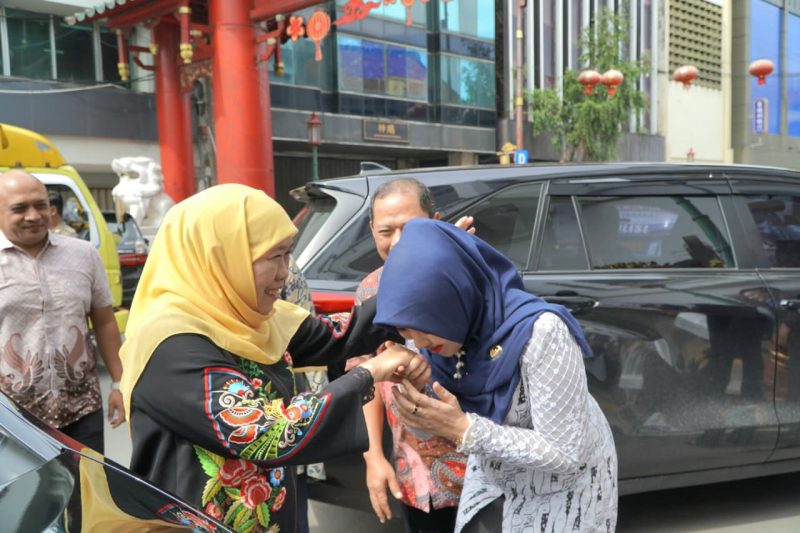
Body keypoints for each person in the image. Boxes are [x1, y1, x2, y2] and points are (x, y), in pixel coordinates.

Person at [119, 183, 429, 532]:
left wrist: (424, 270)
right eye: (272, 257)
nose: (285, 273)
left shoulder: (248, 316)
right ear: (222, 256)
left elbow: (341, 337)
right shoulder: (171, 343)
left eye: (287, 254)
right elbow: (266, 432)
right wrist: (368, 373)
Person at [375, 218, 618, 533]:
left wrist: (465, 429)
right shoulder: (442, 336)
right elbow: (451, 420)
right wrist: (423, 392)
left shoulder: (540, 333)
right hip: (498, 485)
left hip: (566, 493)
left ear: (454, 295)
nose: (418, 342)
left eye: (423, 325)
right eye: (405, 330)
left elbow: (567, 453)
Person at [352, 177, 473, 532]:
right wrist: (373, 455)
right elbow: (364, 377)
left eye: (410, 227)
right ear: (373, 232)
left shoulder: (467, 273)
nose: (398, 241)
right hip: (417, 474)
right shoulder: (371, 290)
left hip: (482, 466)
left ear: (435, 220)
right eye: (386, 231)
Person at [0, 170, 125, 454]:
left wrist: (119, 383)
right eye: (19, 208)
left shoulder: (83, 254)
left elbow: (104, 321)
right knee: (25, 498)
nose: (33, 215)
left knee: (88, 492)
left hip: (82, 409)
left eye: (40, 205)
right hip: (12, 418)